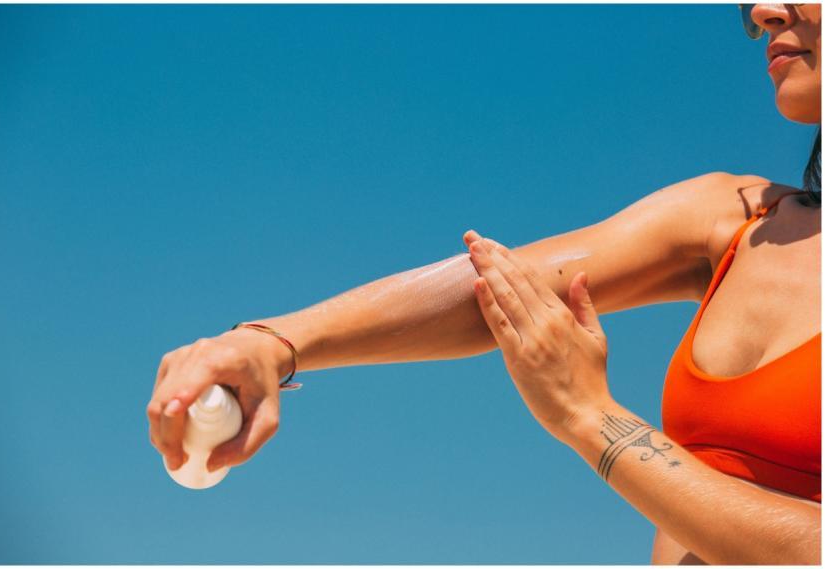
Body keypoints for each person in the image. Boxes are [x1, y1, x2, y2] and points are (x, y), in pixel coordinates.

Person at [147, 4, 820, 564]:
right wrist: (274, 341)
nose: (761, 14)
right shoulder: (734, 218)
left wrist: (592, 420)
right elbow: (497, 291)